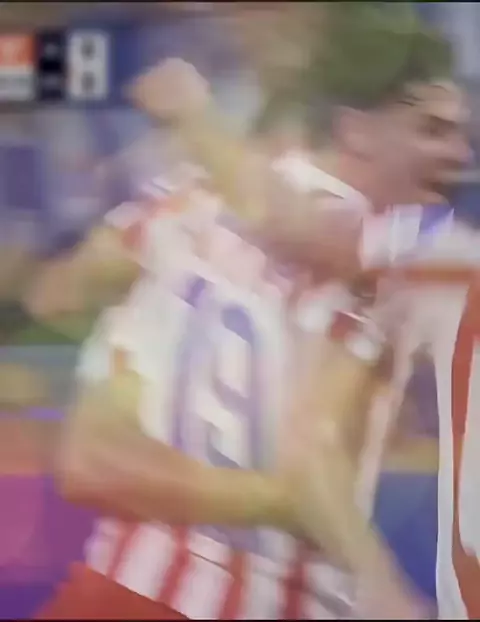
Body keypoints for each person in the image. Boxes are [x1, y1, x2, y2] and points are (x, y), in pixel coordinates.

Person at [38, 3, 462, 620]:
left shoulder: (182, 203)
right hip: (267, 599)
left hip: (113, 587)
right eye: (431, 130)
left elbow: (61, 291)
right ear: (356, 130)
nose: (460, 153)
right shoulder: (392, 253)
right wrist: (375, 578)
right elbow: (311, 450)